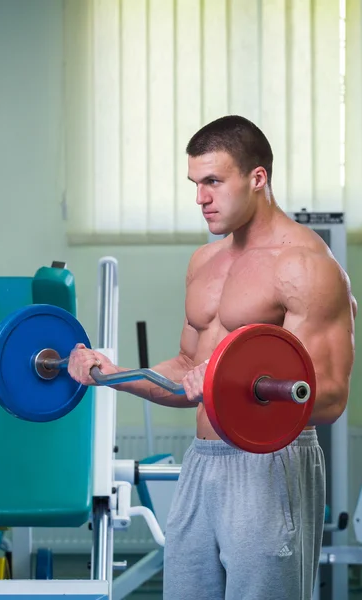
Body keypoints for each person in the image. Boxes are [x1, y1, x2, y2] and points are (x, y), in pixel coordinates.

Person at [68, 115, 357, 600]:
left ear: (257, 178)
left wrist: (227, 385)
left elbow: (326, 397)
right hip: (203, 462)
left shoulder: (306, 266)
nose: (201, 197)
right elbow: (186, 371)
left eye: (213, 182)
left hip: (270, 465)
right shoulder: (205, 262)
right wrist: (112, 375)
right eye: (195, 183)